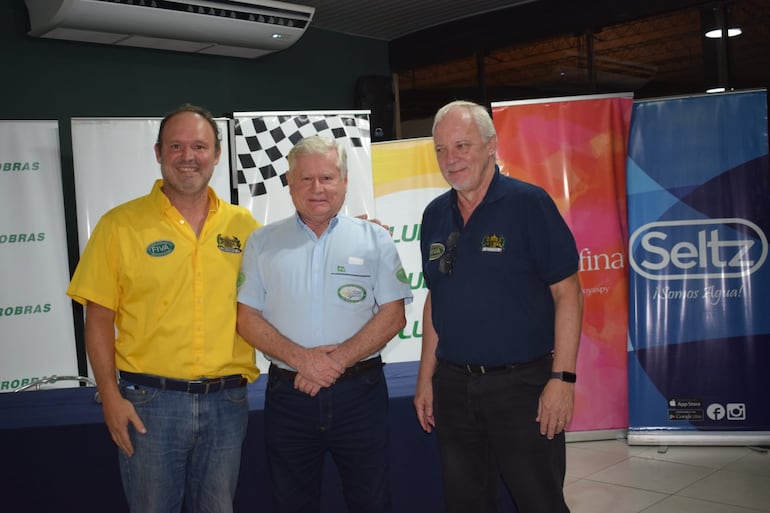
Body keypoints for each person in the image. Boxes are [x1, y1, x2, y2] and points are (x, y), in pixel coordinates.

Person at [66, 104, 260, 513]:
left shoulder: (245, 228)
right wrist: (110, 396)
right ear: (158, 153)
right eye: (176, 146)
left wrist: (355, 237)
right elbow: (98, 318)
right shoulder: (119, 225)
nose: (188, 156)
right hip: (149, 405)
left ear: (217, 154)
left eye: (199, 146)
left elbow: (278, 296)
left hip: (227, 404)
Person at [414, 100, 583, 513]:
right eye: (441, 149)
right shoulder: (435, 215)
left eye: (462, 146)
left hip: (522, 388)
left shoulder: (529, 204)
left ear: (491, 146)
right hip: (454, 390)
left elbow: (568, 293)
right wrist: (425, 379)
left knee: (540, 501)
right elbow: (437, 297)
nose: (450, 160)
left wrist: (562, 379)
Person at [236, 135, 413, 513]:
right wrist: (302, 359)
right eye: (306, 179)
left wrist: (331, 363)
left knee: (371, 501)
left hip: (360, 396)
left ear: (345, 181)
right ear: (289, 182)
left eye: (328, 178)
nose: (318, 188)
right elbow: (246, 319)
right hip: (289, 399)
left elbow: (394, 314)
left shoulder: (374, 238)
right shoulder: (261, 243)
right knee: (291, 502)